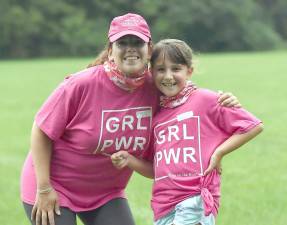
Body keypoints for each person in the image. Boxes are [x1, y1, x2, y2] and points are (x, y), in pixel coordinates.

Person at [20, 13, 241, 225]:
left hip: (106, 194)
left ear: (149, 49)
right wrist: (44, 188)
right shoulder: (81, 84)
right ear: (110, 51)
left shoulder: (156, 88)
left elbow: (190, 102)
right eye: (122, 43)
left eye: (137, 43)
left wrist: (222, 101)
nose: (130, 49)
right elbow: (41, 130)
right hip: (54, 186)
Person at [111, 39, 263, 225]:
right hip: (162, 205)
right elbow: (156, 171)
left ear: (189, 71)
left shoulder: (206, 99)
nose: (168, 76)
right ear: (151, 73)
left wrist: (219, 152)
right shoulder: (158, 116)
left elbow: (253, 125)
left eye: (175, 69)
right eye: (160, 70)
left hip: (195, 198)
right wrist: (129, 159)